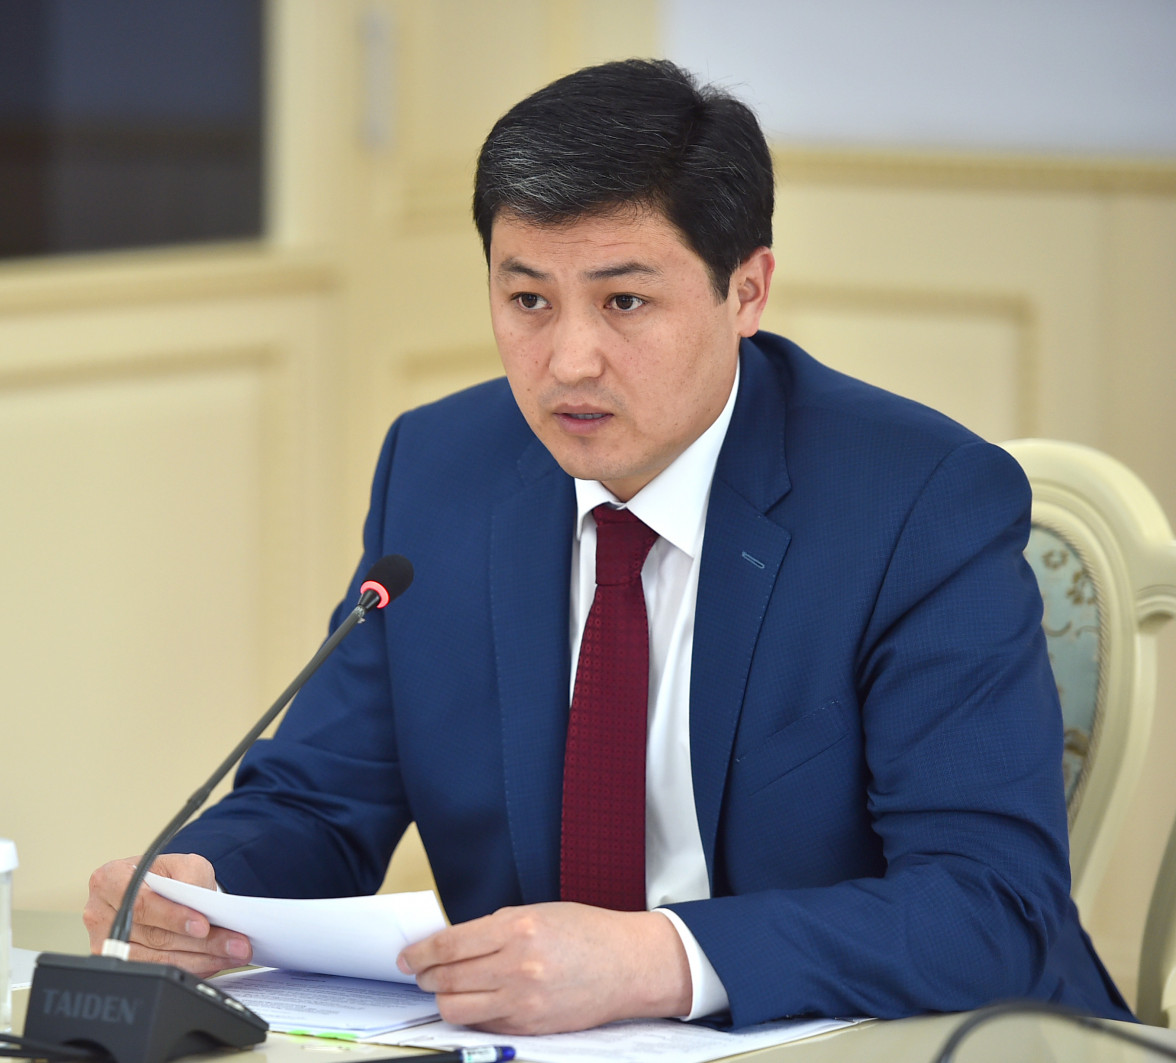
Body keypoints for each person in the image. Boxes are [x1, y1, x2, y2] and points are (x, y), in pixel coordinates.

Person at [84, 59, 1133, 1034]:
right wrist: (204, 886)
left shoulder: (914, 502)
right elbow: (320, 800)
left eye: (624, 300)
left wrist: (659, 960)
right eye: (527, 300)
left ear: (747, 290)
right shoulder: (441, 471)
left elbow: (990, 906)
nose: (569, 359)